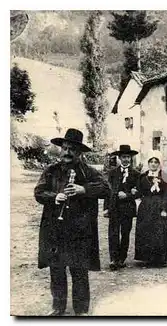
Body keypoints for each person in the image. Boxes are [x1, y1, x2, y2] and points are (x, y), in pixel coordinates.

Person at [34, 128, 110, 316]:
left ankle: (81, 310)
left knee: (79, 270)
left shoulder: (89, 172)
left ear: (80, 153)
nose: (68, 152)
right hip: (55, 229)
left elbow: (106, 188)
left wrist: (83, 190)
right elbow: (38, 192)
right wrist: (54, 197)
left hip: (80, 230)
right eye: (65, 148)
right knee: (57, 269)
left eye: (73, 150)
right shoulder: (51, 171)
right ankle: (58, 308)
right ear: (61, 150)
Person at [134, 150, 167, 267]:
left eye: (156, 162)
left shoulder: (164, 177)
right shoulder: (143, 176)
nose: (153, 164)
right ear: (148, 163)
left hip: (160, 207)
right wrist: (134, 192)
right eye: (151, 162)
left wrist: (164, 208)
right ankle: (147, 257)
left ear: (159, 164)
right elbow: (139, 191)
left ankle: (160, 258)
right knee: (147, 230)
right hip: (146, 207)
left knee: (160, 232)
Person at [105, 145, 140, 271]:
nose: (126, 160)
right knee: (113, 233)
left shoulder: (136, 174)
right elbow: (107, 191)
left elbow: (139, 192)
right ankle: (113, 259)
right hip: (114, 207)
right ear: (119, 158)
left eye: (128, 157)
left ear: (131, 159)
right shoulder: (112, 173)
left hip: (128, 208)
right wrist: (106, 208)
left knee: (125, 234)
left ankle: (121, 258)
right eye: (123, 157)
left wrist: (128, 195)